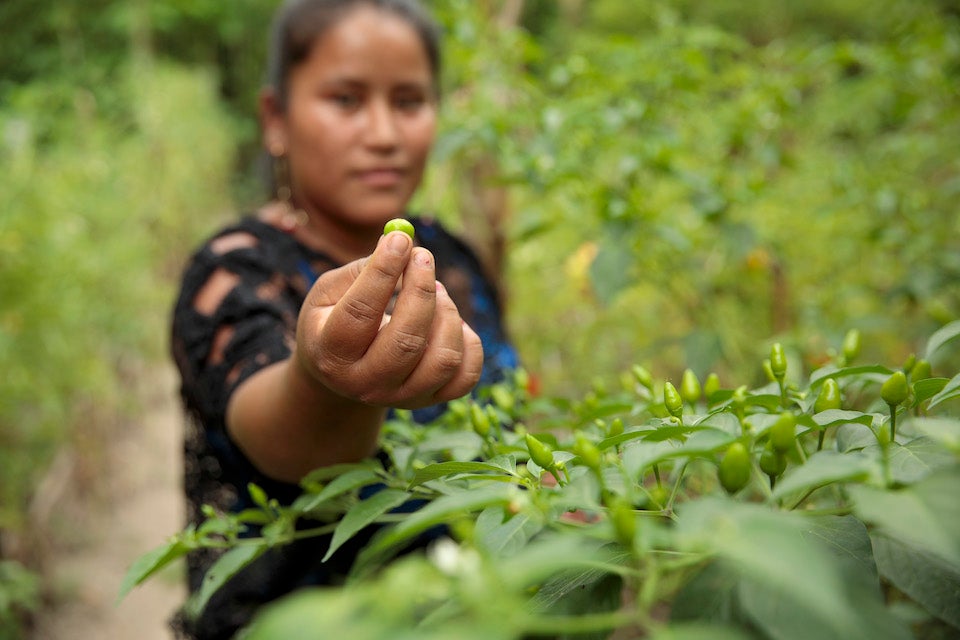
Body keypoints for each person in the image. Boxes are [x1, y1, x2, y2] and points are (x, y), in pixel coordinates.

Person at [169, 0, 518, 637]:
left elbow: (508, 411)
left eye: (409, 101)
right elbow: (279, 429)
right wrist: (325, 378)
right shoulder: (234, 274)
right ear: (276, 118)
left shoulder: (458, 259)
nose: (384, 133)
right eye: (347, 99)